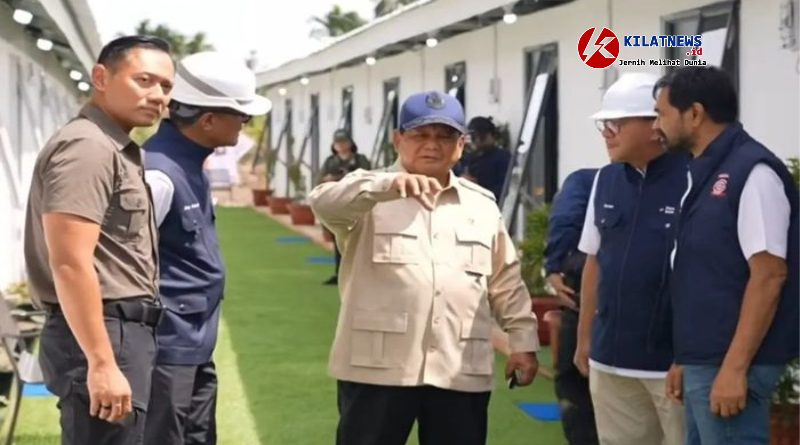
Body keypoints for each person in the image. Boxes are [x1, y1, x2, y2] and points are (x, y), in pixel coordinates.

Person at [309, 91, 539, 445]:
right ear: (398, 139)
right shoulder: (368, 194)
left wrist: (523, 341)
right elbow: (323, 203)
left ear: (460, 145)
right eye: (420, 134)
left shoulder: (481, 205)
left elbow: (505, 279)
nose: (432, 144)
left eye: (444, 136)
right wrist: (385, 185)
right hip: (378, 368)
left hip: (458, 365)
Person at [23, 35, 173, 444]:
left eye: (165, 86)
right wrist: (102, 362)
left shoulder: (113, 146)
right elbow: (70, 262)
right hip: (103, 333)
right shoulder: (87, 147)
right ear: (101, 78)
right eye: (144, 80)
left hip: (118, 332)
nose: (158, 96)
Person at [653, 66, 799, 445]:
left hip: (732, 366)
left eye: (661, 114)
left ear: (695, 114)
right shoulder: (704, 172)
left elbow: (769, 275)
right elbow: (704, 273)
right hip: (705, 361)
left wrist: (734, 368)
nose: (656, 125)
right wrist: (685, 358)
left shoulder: (753, 173)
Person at [142, 51, 271, 445]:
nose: (246, 123)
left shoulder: (188, 164)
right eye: (240, 114)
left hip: (192, 343)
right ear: (208, 120)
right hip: (164, 348)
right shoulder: (158, 174)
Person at [574, 73, 687, 445]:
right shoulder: (604, 180)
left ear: (655, 125)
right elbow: (595, 262)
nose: (607, 133)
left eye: (616, 123)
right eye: (604, 125)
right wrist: (585, 339)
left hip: (673, 366)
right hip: (610, 359)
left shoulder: (695, 178)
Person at [544, 168, 599, 445]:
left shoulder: (586, 180)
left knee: (576, 391)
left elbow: (564, 220)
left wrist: (555, 264)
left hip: (581, 295)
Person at [318, 129, 371, 286]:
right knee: (339, 241)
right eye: (338, 143)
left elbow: (366, 178)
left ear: (350, 143)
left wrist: (339, 178)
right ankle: (339, 274)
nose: (341, 145)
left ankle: (361, 275)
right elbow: (321, 181)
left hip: (358, 205)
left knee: (361, 241)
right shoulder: (330, 162)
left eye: (343, 142)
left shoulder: (360, 160)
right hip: (337, 205)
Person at [455, 116, 511, 202]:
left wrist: (478, 188)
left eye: (482, 137)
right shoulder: (471, 157)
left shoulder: (503, 156)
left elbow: (505, 189)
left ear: (493, 135)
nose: (477, 140)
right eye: (474, 137)